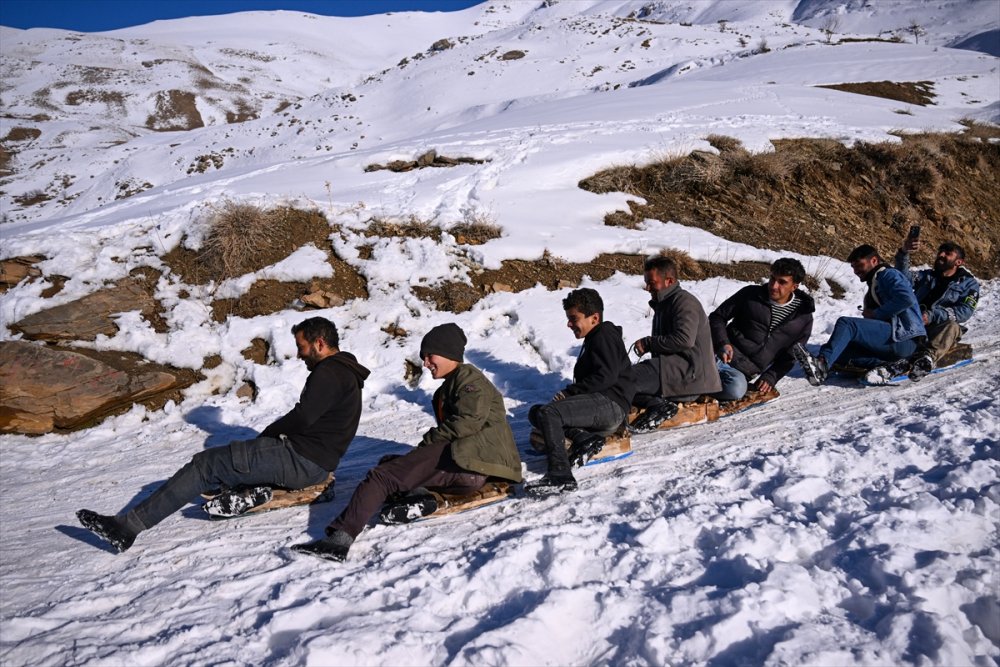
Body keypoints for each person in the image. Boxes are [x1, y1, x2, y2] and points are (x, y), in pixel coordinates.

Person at [77, 317, 371, 553]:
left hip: (301, 460)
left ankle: (126, 528)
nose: (298, 354)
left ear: (319, 343)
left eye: (302, 346)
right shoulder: (345, 371)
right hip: (314, 460)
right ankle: (243, 486)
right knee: (234, 458)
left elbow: (304, 416)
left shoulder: (329, 372)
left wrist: (269, 433)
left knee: (206, 466)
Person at [292, 323, 522, 562]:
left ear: (449, 353)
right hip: (467, 466)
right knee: (391, 462)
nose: (425, 363)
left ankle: (339, 540)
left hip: (470, 465)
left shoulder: (470, 380)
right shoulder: (448, 388)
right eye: (423, 358)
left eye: (430, 356)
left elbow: (466, 423)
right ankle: (418, 495)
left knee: (382, 476)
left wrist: (427, 445)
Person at [526, 288, 636, 495]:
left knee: (550, 413)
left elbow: (607, 377)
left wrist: (570, 393)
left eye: (573, 318)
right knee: (538, 411)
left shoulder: (604, 335)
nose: (569, 324)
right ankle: (585, 439)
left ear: (594, 317)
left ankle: (560, 474)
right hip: (601, 403)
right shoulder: (595, 338)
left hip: (610, 404)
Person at [793, 244, 925, 386]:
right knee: (838, 351)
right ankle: (894, 365)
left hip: (903, 337)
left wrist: (876, 314)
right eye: (853, 268)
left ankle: (821, 365)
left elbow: (906, 298)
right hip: (894, 343)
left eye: (859, 265)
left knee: (847, 324)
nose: (856, 271)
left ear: (874, 260)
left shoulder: (888, 274)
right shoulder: (876, 280)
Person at [866, 236, 980, 383]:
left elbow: (964, 312)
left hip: (938, 328)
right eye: (940, 252)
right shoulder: (927, 276)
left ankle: (925, 360)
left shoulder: (969, 284)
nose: (941, 255)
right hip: (914, 324)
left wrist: (932, 316)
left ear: (958, 262)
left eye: (947, 253)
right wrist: (904, 253)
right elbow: (902, 278)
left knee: (953, 326)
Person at [629, 255, 721, 433]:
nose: (647, 288)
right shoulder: (664, 303)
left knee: (623, 379)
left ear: (669, 281)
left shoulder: (684, 302)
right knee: (622, 379)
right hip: (673, 370)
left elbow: (683, 340)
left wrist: (649, 343)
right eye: (646, 282)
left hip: (689, 375)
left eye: (652, 283)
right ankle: (658, 405)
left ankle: (659, 405)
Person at [709, 258, 815, 400]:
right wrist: (723, 343)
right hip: (717, 355)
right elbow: (717, 317)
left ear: (794, 287)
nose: (774, 285)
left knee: (736, 390)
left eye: (782, 282)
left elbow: (791, 356)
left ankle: (699, 386)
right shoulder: (750, 294)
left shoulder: (803, 318)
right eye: (772, 278)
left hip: (741, 372)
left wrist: (771, 376)